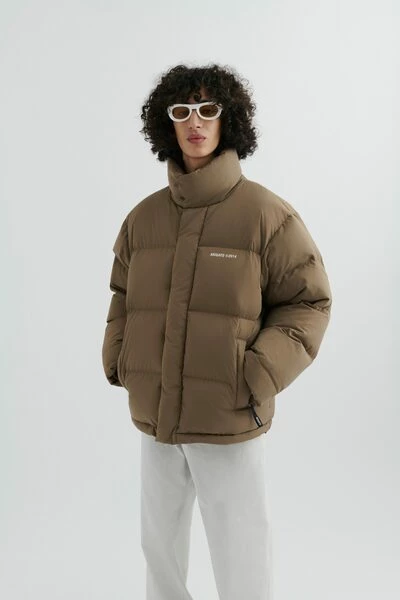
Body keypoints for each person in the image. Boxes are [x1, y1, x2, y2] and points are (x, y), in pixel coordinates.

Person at [102, 63, 332, 600]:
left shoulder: (266, 215)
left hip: (229, 412)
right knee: (158, 548)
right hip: (156, 414)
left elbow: (309, 301)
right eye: (182, 111)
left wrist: (257, 373)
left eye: (208, 109)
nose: (196, 122)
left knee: (240, 549)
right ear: (167, 123)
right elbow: (122, 295)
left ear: (230, 120)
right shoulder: (144, 219)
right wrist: (120, 358)